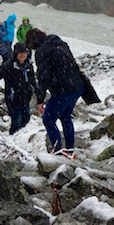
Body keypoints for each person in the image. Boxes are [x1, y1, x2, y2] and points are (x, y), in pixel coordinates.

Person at [25, 28, 85, 157]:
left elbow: (43, 77)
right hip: (78, 86)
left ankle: (58, 153)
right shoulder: (58, 42)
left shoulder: (41, 52)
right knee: (65, 117)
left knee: (48, 120)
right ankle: (70, 151)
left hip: (64, 90)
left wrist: (40, 100)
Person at [0, 42, 44, 134]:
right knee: (16, 123)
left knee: (26, 121)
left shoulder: (29, 65)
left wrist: (39, 97)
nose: (23, 55)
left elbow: (33, 81)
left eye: (25, 52)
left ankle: (20, 142)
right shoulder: (8, 66)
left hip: (26, 98)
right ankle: (12, 140)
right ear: (16, 53)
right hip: (13, 99)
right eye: (20, 53)